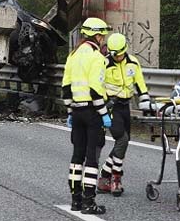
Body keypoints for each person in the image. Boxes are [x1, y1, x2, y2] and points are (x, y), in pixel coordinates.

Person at [63, 17, 112, 214]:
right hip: (92, 113)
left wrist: (70, 111)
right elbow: (95, 90)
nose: (103, 39)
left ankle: (75, 201)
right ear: (96, 35)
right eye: (102, 35)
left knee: (77, 156)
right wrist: (104, 114)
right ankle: (89, 202)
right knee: (91, 158)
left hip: (76, 111)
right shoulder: (97, 57)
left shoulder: (73, 55)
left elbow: (66, 88)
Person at [96, 32, 153, 196]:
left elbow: (140, 84)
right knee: (122, 139)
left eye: (121, 54)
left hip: (125, 106)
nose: (119, 57)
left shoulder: (133, 62)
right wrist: (103, 107)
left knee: (123, 143)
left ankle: (104, 177)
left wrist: (145, 99)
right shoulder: (105, 64)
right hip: (111, 107)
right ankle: (116, 178)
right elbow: (99, 87)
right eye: (116, 55)